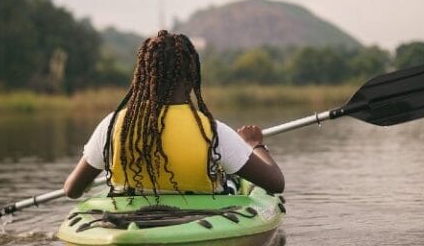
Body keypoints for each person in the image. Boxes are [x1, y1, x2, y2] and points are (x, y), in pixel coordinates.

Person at [64, 30, 284, 199]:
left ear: (143, 76)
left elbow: (72, 190)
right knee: (231, 178)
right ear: (192, 77)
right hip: (200, 220)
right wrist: (254, 144)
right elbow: (276, 183)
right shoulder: (212, 132)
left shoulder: (112, 126)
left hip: (128, 218)